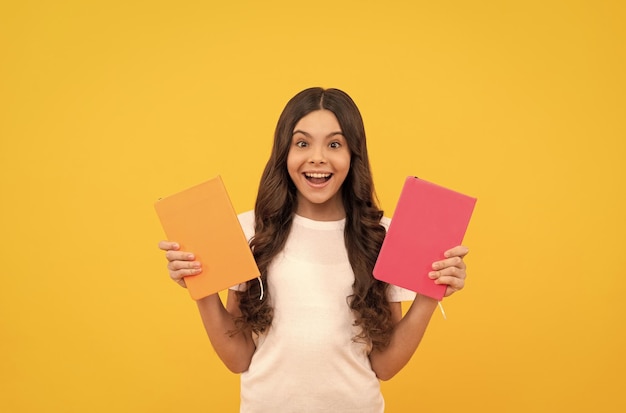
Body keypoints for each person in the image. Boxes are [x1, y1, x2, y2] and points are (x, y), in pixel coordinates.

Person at [158, 87, 469, 413]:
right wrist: (201, 286)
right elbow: (238, 358)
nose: (318, 157)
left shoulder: (385, 236)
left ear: (353, 155)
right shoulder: (248, 231)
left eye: (334, 144)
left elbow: (385, 365)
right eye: (302, 143)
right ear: (284, 153)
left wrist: (430, 293)